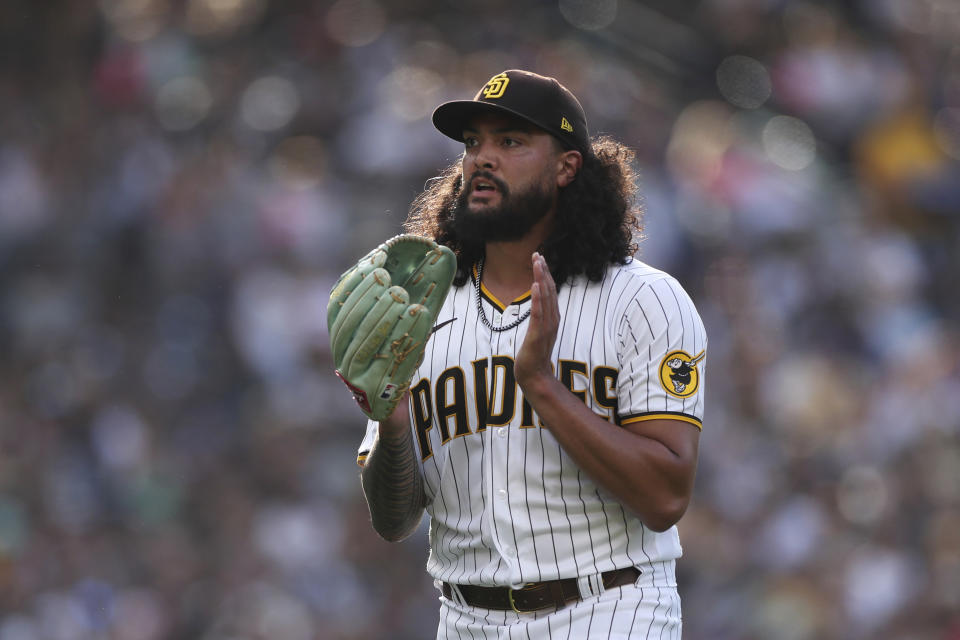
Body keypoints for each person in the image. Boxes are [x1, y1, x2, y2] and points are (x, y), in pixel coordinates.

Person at [356, 69, 706, 638]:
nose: (482, 158)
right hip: (465, 618)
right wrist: (392, 425)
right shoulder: (419, 313)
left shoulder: (642, 300)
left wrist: (541, 385)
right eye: (473, 144)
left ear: (567, 166)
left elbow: (666, 495)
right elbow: (394, 521)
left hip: (608, 606)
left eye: (510, 141)